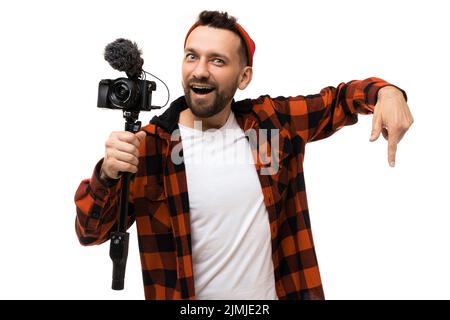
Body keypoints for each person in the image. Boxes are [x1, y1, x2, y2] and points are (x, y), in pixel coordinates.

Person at [74, 10, 413, 300]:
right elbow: (89, 232)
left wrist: (387, 91)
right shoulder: (148, 147)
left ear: (244, 76)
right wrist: (106, 174)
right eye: (192, 56)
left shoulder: (272, 125)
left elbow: (341, 99)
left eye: (217, 60)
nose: (200, 70)